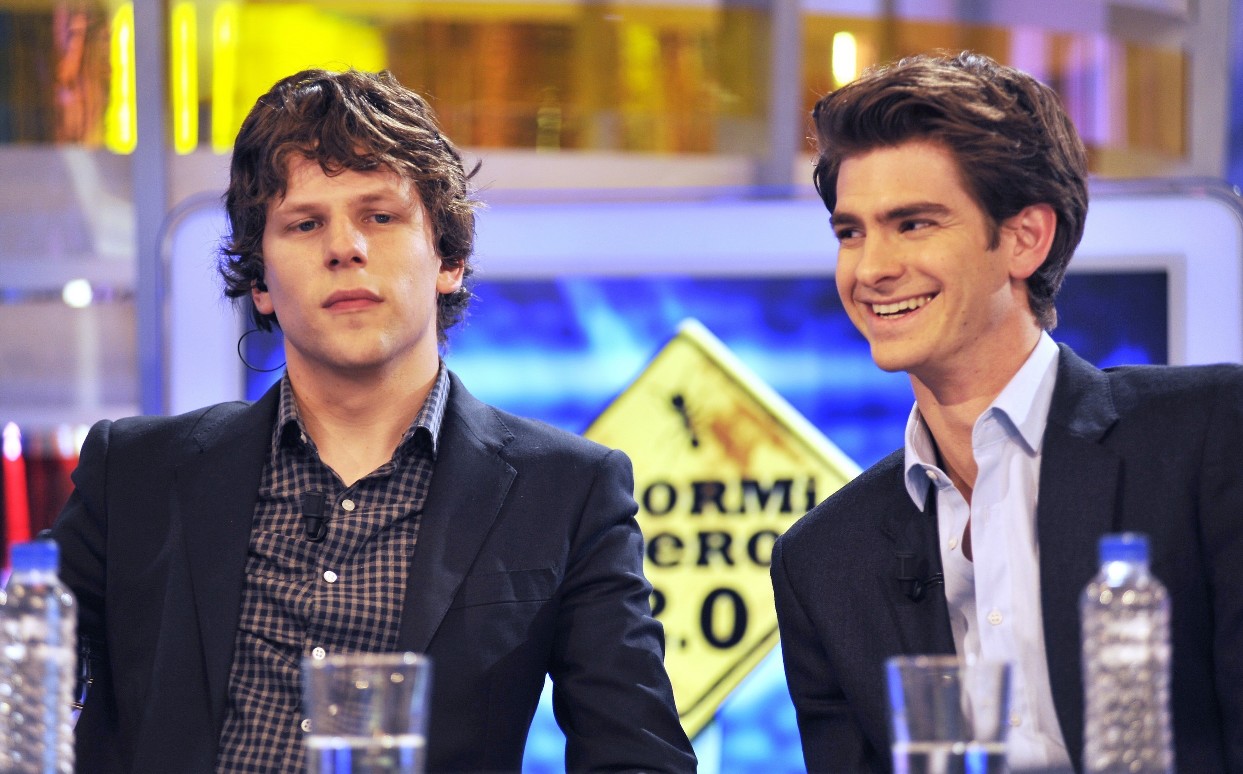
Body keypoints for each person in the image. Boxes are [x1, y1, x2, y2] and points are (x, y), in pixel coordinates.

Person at [49, 68, 696, 773]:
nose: (344, 248)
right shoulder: (134, 473)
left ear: (449, 259)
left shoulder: (566, 491)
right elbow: (18, 678)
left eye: (379, 217)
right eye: (305, 224)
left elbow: (639, 756)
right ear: (260, 282)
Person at [770, 51, 1243, 773]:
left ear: (1025, 239)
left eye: (913, 224)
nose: (870, 269)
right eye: (850, 232)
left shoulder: (1206, 439)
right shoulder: (825, 559)